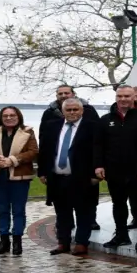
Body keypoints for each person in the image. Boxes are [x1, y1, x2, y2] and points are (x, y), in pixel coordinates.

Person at [38, 98, 99, 256]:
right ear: (63, 111)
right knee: (62, 213)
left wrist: (95, 174)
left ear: (82, 110)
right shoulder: (52, 126)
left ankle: (81, 243)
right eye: (69, 110)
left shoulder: (92, 127)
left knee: (84, 213)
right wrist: (42, 172)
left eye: (75, 110)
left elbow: (98, 151)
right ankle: (63, 242)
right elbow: (44, 150)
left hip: (83, 178)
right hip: (57, 178)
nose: (72, 113)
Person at [0, 106, 39, 256]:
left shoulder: (28, 131)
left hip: (19, 176)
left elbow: (33, 152)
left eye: (12, 115)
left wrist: (14, 160)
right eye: (5, 116)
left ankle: (17, 241)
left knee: (18, 210)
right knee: (2, 211)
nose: (9, 118)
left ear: (18, 116)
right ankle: (4, 241)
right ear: (1, 117)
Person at [94, 85, 137, 249]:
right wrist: (98, 165)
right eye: (120, 96)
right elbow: (98, 145)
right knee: (119, 204)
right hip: (114, 171)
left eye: (127, 96)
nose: (123, 99)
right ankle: (121, 235)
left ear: (134, 98)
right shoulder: (105, 119)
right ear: (116, 97)